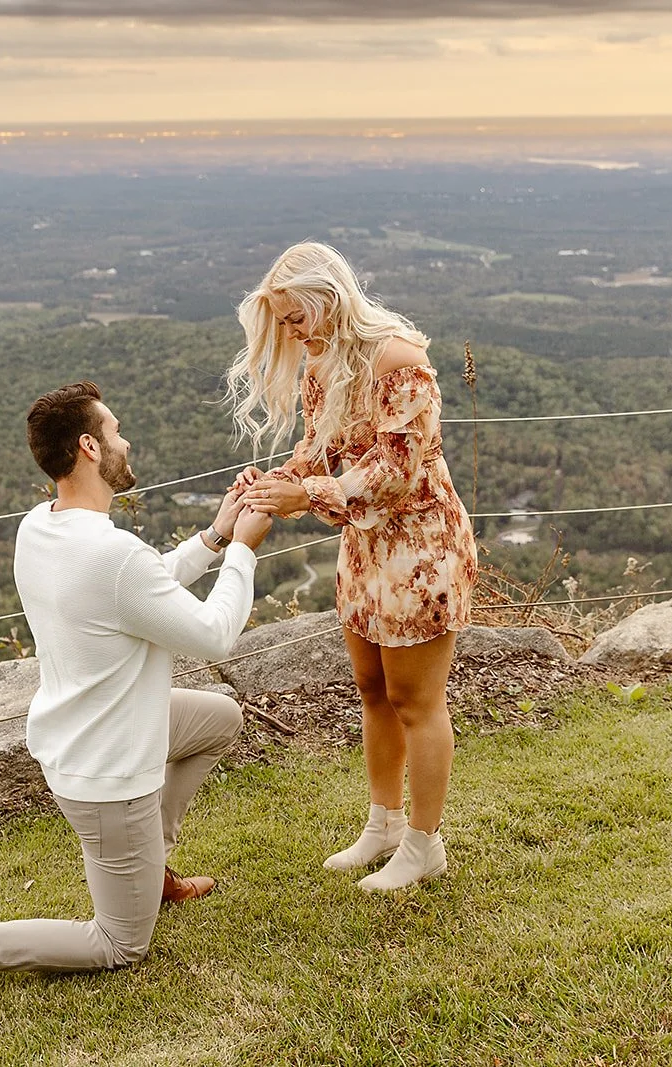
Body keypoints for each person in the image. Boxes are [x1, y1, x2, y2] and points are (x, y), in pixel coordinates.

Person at [0, 380, 273, 995]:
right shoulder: (112, 553)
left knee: (220, 717)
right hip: (107, 773)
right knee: (120, 944)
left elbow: (138, 593)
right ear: (90, 447)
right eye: (117, 432)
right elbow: (213, 634)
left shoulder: (41, 527)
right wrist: (246, 552)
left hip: (89, 733)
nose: (127, 441)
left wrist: (216, 536)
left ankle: (153, 866)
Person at [229, 242, 477, 892]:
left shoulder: (401, 361)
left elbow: (396, 471)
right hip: (365, 549)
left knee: (416, 699)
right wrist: (278, 480)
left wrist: (305, 496)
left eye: (293, 317)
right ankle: (384, 823)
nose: (291, 332)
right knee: (372, 688)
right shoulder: (323, 363)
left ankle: (425, 843)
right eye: (282, 322)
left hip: (420, 547)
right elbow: (319, 445)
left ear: (327, 298)